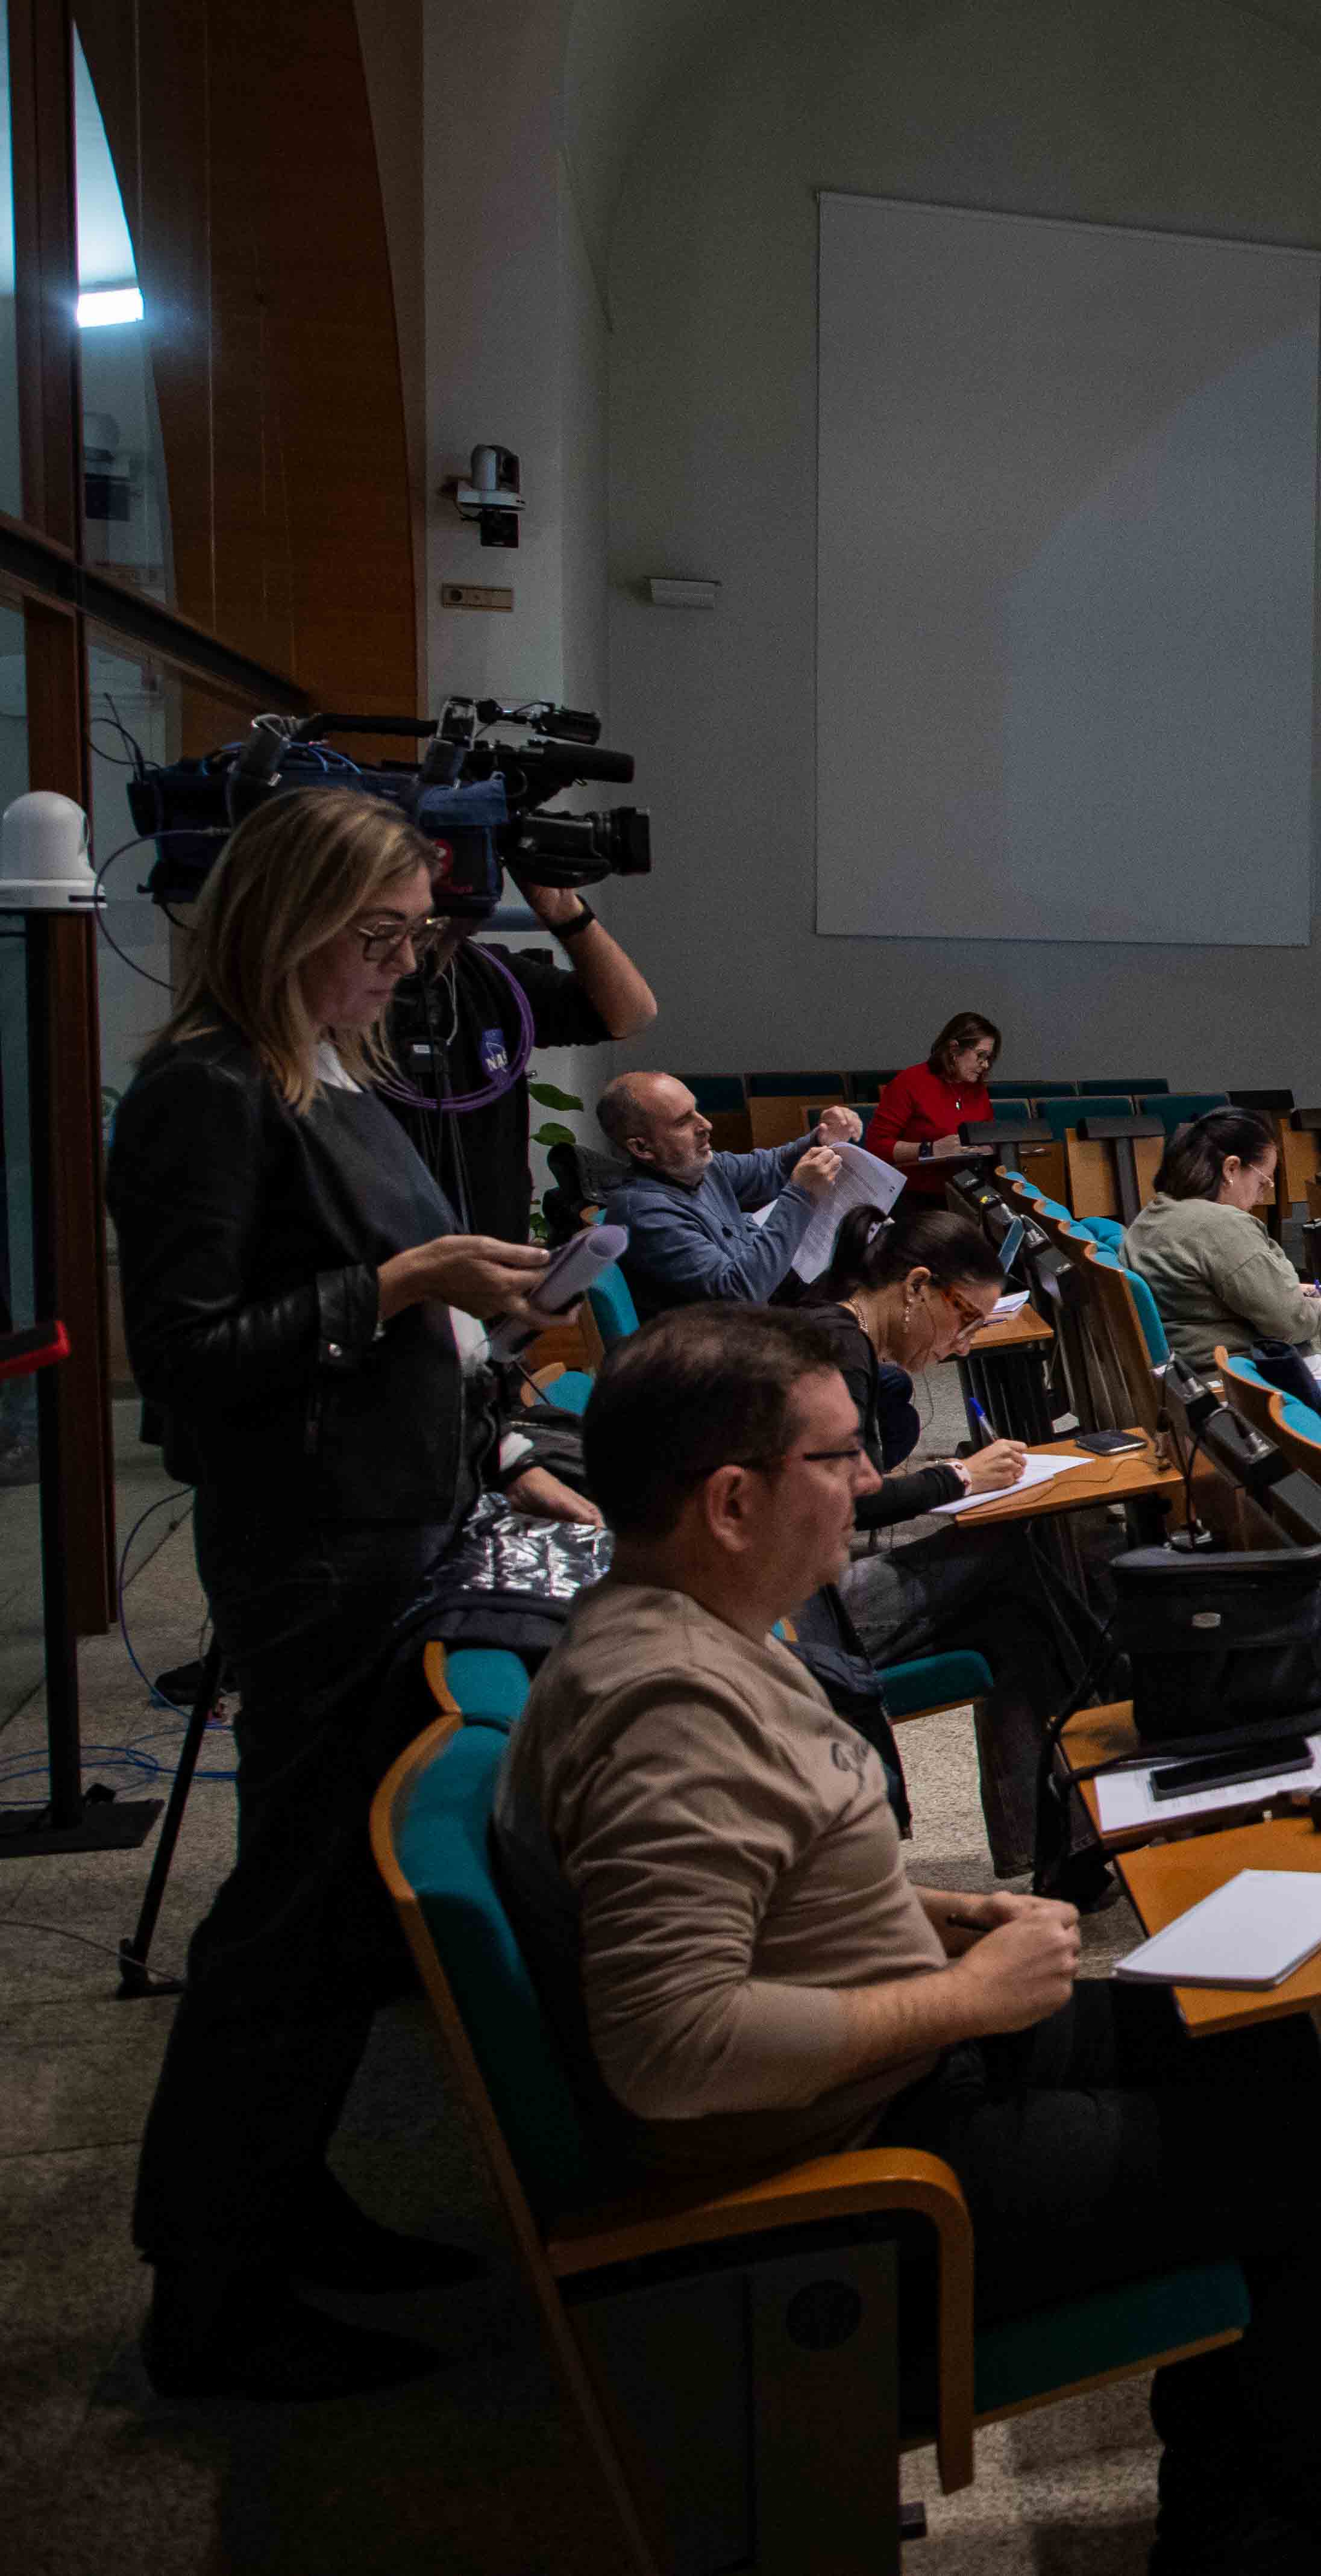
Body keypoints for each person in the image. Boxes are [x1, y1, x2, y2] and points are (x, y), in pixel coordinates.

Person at [496, 1307, 1321, 2572]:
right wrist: (961, 1997)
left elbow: (776, 1884)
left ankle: (1268, 2464)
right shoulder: (670, 1705)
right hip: (859, 2164)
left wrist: (953, 1917)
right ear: (731, 1501)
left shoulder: (697, 1628)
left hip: (879, 2065)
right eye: (839, 1459)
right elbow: (668, 2044)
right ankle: (1258, 2523)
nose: (867, 1486)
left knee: (1254, 2031)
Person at [108, 786, 597, 2400]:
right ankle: (214, 2289)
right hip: (319, 1549)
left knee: (328, 1919)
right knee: (290, 1920)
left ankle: (282, 2207)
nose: (398, 971)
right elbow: (184, 1361)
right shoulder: (206, 1091)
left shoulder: (325, 1074)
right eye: (374, 941)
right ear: (290, 919)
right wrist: (404, 1283)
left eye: (411, 942)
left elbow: (374, 1304)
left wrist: (485, 1327)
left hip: (396, 1519)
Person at [803, 1206, 1105, 1868]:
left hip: (802, 1601)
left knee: (1017, 1616)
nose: (964, 1341)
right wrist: (958, 1477)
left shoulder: (830, 1330)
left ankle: (1063, 1850)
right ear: (915, 1287)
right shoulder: (838, 1350)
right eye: (964, 1316)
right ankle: (1084, 1818)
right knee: (1019, 1566)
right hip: (798, 1621)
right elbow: (849, 1502)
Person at [378, 878, 659, 1242]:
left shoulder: (492, 974)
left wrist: (565, 911)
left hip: (494, 1248)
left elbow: (632, 1015)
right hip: (389, 1268)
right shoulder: (347, 994)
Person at [600, 1069, 865, 1314]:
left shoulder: (699, 1167)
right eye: (683, 1122)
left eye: (696, 1111)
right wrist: (802, 1195)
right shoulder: (645, 1213)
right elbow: (740, 1294)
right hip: (720, 1349)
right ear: (642, 1148)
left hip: (764, 1317)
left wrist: (822, 1138)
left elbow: (771, 1167)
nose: (706, 1126)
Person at [1124, 1105, 1321, 1357]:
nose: (1261, 1196)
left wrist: (1283, 1290)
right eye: (1262, 1182)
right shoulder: (1223, 1226)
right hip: (1239, 1378)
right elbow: (1289, 1322)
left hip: (1186, 1373)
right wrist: (1320, 1309)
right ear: (1231, 1168)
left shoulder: (1157, 1211)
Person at [864, 1010, 1000, 1198]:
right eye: (980, 1056)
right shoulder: (911, 1082)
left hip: (968, 1193)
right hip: (918, 1195)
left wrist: (988, 1147)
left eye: (989, 1058)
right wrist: (931, 1149)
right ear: (954, 1050)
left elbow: (988, 1136)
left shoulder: (977, 1089)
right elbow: (876, 1146)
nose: (985, 1065)